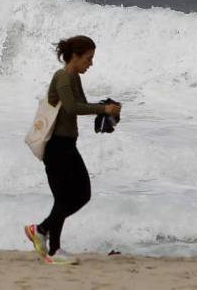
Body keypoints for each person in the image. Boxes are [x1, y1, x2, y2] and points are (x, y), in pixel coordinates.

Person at [24, 35, 121, 265]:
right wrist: (103, 108)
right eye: (88, 58)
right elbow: (72, 107)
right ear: (75, 56)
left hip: (67, 145)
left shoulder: (74, 77)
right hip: (57, 146)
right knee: (69, 197)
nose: (91, 63)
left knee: (75, 196)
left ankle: (47, 239)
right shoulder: (63, 77)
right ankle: (47, 240)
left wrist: (104, 112)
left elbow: (82, 105)